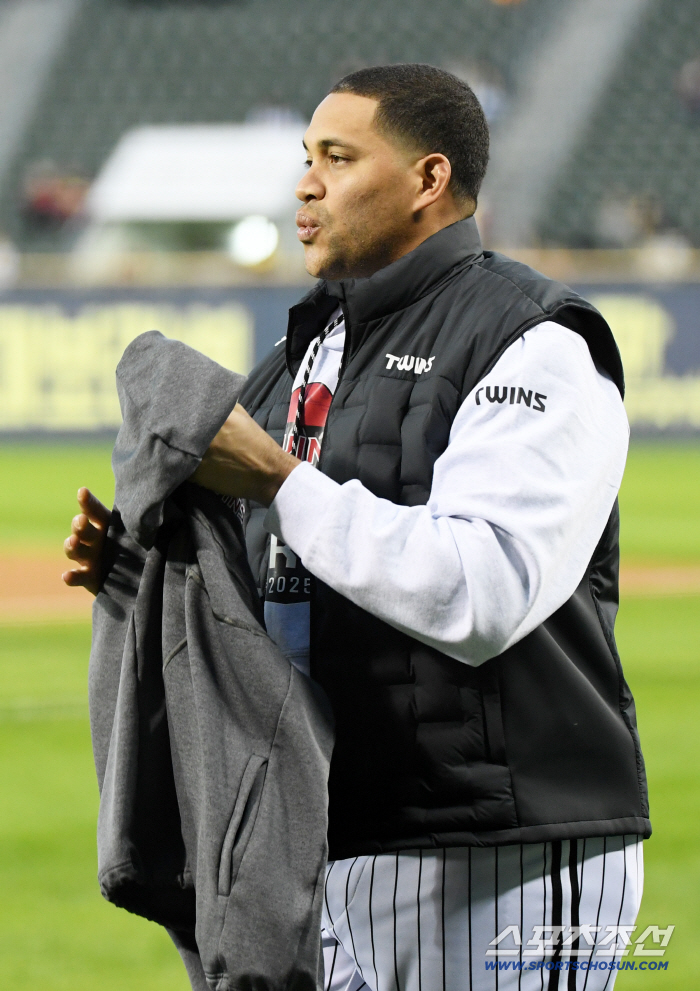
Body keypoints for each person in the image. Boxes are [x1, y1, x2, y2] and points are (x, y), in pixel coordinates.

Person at [64, 64, 648, 991]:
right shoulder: (300, 356)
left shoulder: (536, 341)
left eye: (338, 157)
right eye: (306, 157)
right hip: (325, 837)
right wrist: (149, 576)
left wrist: (278, 478)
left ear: (428, 179)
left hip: (504, 853)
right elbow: (290, 585)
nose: (305, 183)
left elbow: (481, 589)